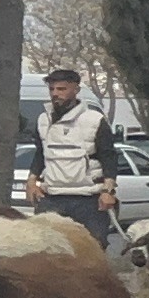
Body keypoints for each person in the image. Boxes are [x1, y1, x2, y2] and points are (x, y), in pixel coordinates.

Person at [25, 67, 118, 249]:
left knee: (93, 249)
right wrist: (31, 181)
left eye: (61, 89)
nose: (55, 94)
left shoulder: (94, 120)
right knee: (43, 249)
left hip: (88, 199)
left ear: (75, 90)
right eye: (52, 89)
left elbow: (109, 157)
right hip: (52, 198)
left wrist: (108, 192)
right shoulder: (43, 119)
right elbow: (40, 154)